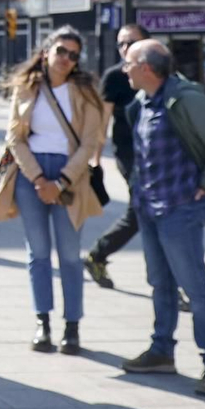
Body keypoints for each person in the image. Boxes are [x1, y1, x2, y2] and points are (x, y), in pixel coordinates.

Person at [119, 38, 205, 397]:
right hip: (150, 208)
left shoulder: (186, 99)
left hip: (181, 209)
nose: (124, 68)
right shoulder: (142, 102)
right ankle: (161, 352)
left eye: (128, 62)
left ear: (146, 68)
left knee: (195, 288)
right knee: (160, 283)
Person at [2, 26, 108, 355]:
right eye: (61, 51)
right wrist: (37, 179)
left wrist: (60, 181)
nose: (66, 59)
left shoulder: (86, 91)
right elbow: (14, 138)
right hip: (30, 175)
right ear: (46, 50)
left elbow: (91, 141)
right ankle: (42, 324)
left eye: (73, 55)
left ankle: (72, 327)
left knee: (69, 255)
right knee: (38, 254)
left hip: (70, 177)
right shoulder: (27, 87)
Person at [82, 22, 149, 289]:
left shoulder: (159, 70)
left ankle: (98, 255)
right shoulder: (115, 76)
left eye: (131, 42)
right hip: (129, 153)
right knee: (143, 207)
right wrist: (95, 159)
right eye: (121, 43)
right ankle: (168, 285)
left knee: (145, 212)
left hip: (160, 154)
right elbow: (102, 119)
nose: (124, 48)